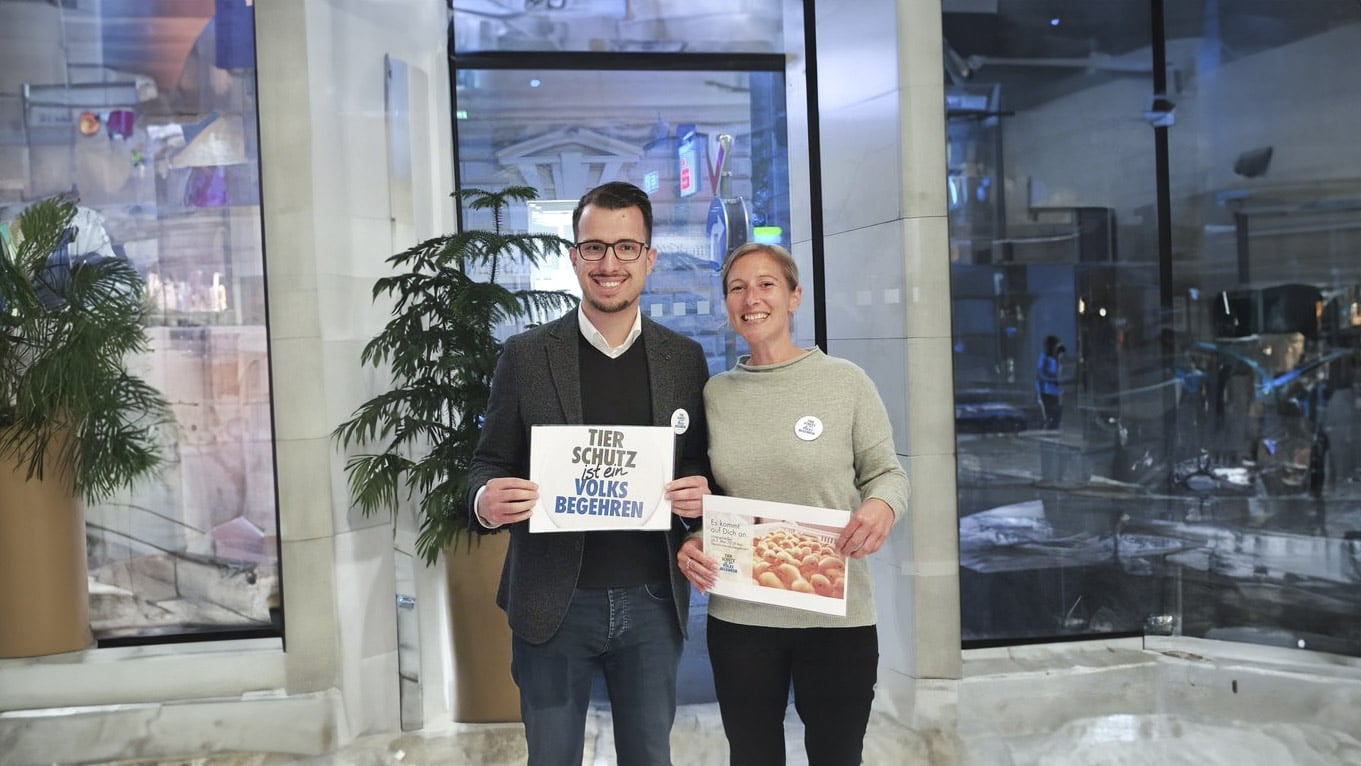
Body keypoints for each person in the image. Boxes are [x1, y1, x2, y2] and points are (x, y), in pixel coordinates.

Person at [467, 181, 713, 766]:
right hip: (553, 600)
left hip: (653, 601)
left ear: (649, 258)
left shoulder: (684, 359)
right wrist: (484, 500)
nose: (609, 264)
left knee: (650, 756)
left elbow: (698, 462)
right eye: (594, 247)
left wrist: (701, 496)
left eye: (627, 247)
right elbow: (486, 463)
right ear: (574, 256)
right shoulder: (526, 355)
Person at [678, 242, 910, 766]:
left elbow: (888, 474)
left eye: (766, 284)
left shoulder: (845, 382)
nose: (751, 298)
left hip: (836, 618)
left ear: (794, 296)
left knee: (837, 756)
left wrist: (882, 507)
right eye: (737, 288)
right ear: (726, 303)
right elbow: (707, 497)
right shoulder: (715, 395)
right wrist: (693, 539)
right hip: (742, 617)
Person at [1036, 335, 1065, 429]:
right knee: (1050, 415)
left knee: (1056, 414)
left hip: (1054, 392)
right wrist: (1052, 380)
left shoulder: (1055, 358)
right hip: (1046, 392)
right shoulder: (1044, 358)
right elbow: (1041, 374)